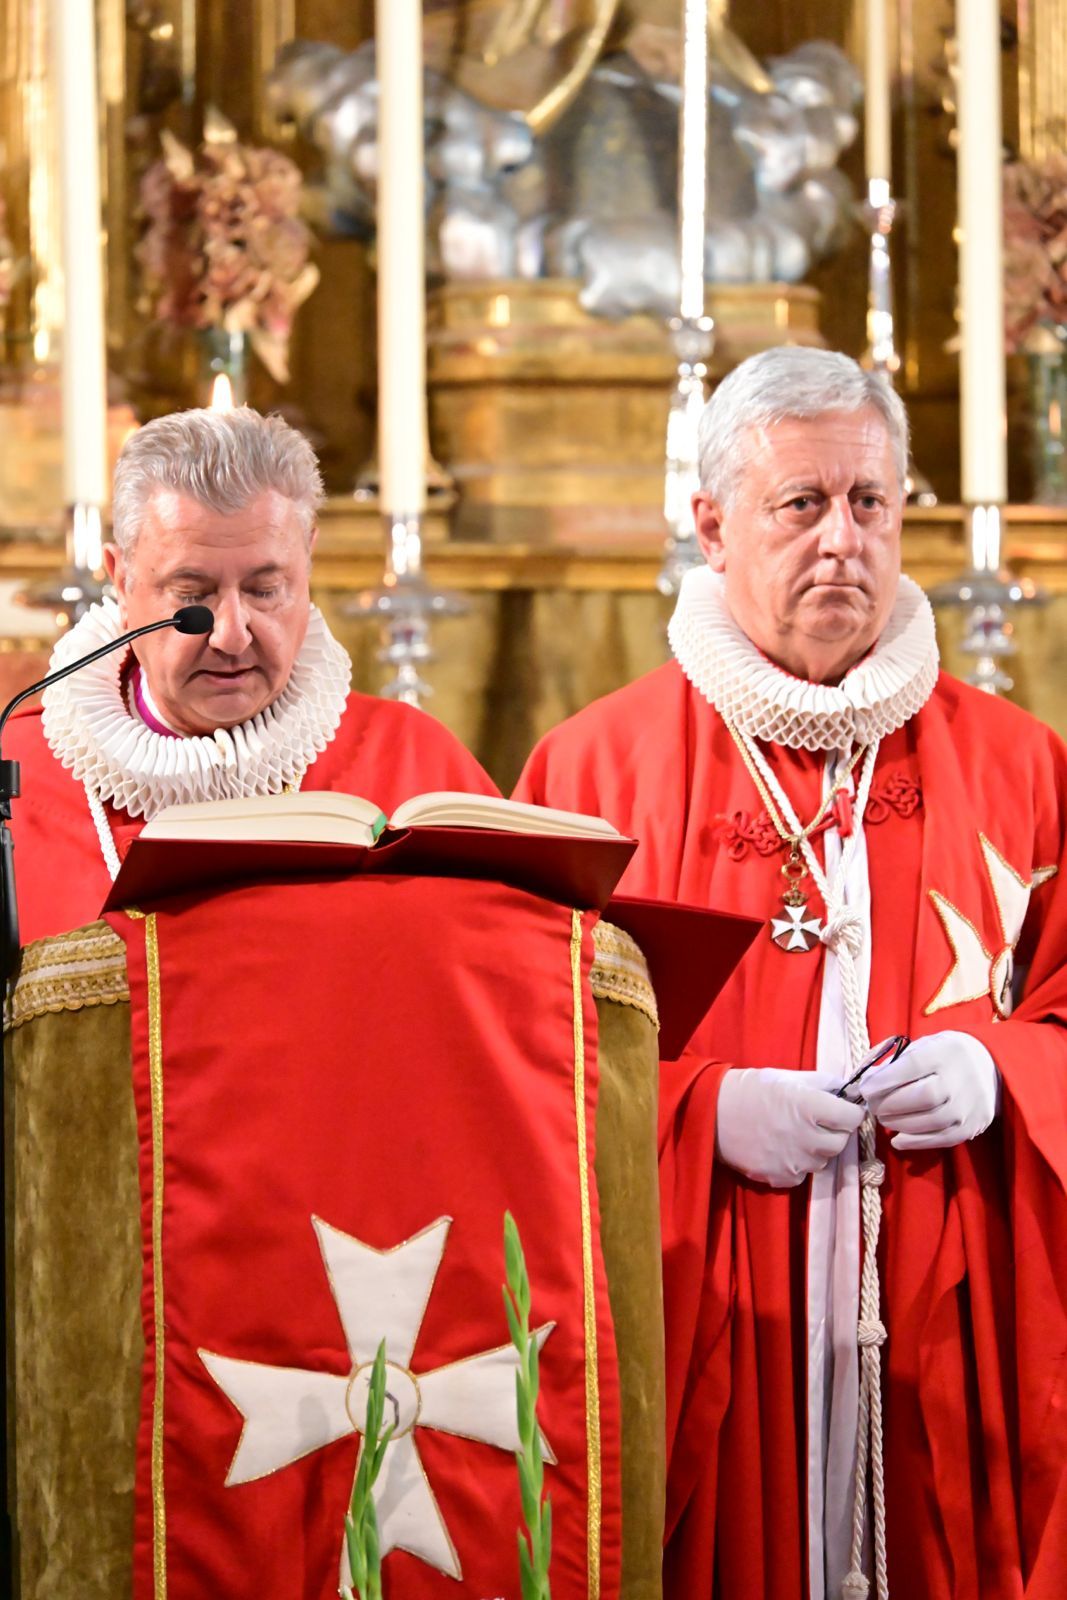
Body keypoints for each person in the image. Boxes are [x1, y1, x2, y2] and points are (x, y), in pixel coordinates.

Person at [516, 347, 1067, 1600]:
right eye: (799, 505)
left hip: (955, 1311)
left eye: (868, 504)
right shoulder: (593, 772)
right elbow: (514, 1072)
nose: (841, 542)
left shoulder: (1022, 765)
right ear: (710, 526)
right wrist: (700, 1112)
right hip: (708, 1296)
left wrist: (1003, 1065)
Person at [6, 407, 495, 943]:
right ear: (121, 580)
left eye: (265, 590)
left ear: (307, 562)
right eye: (192, 594)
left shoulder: (409, 760)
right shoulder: (20, 775)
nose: (232, 635)